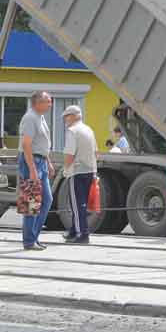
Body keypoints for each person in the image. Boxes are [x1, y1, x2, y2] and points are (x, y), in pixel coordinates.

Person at [18, 91, 55, 251]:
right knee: (31, 202)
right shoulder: (30, 118)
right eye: (48, 101)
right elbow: (26, 144)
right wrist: (32, 168)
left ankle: (34, 236)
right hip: (31, 161)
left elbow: (41, 143)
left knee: (47, 200)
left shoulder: (40, 117)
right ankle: (28, 241)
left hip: (42, 161)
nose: (50, 104)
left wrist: (48, 162)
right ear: (37, 103)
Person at [62, 105, 97, 245]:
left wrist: (65, 169)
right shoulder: (89, 130)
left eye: (66, 116)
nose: (65, 119)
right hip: (89, 170)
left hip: (76, 171)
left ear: (73, 116)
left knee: (77, 205)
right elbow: (96, 152)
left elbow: (70, 154)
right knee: (81, 204)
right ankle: (73, 231)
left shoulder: (72, 131)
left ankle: (82, 234)